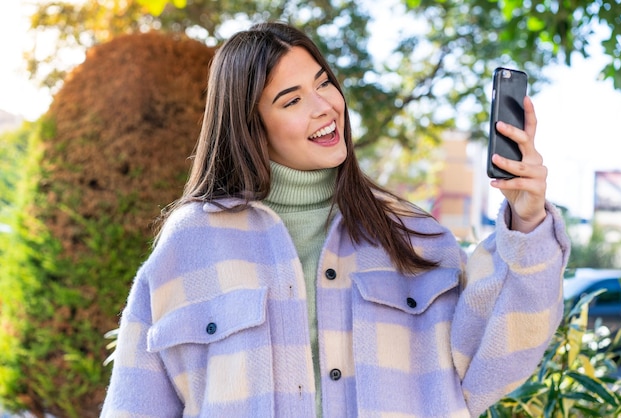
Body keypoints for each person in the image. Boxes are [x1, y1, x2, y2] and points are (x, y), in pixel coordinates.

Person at [101, 21, 570, 418]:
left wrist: (527, 219)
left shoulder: (411, 234)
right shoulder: (191, 244)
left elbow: (498, 356)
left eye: (323, 83)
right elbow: (136, 404)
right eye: (291, 100)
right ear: (250, 126)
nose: (325, 106)